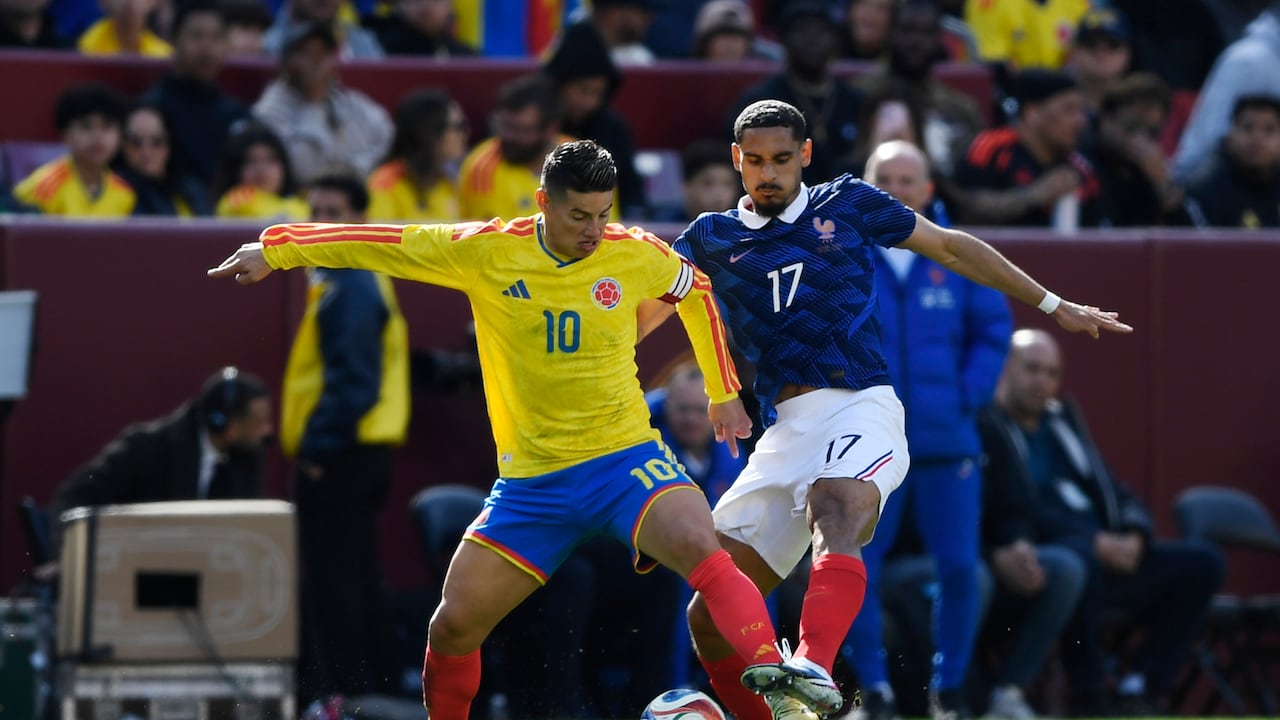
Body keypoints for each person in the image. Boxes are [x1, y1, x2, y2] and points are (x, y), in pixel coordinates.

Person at [208, 140, 815, 720]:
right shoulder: (488, 252)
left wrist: (722, 392)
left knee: (702, 551)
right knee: (452, 625)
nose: (592, 231)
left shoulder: (631, 252)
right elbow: (383, 243)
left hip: (624, 461)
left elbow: (697, 291)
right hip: (532, 486)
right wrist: (280, 247)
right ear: (543, 202)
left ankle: (776, 683)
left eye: (603, 215)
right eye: (579, 215)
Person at [662, 100, 1130, 720]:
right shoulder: (708, 239)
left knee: (838, 506)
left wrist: (1050, 303)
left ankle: (815, 666)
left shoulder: (848, 203)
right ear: (736, 161)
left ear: (805, 155)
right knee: (710, 611)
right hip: (782, 430)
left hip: (862, 406)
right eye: (754, 161)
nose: (768, 173)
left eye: (781, 159)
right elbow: (648, 313)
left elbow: (951, 248)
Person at [842, 140, 1012, 720]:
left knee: (960, 566)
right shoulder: (843, 253)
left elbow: (993, 331)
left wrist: (968, 395)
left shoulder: (957, 253)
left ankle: (950, 690)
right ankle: (875, 690)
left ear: (929, 188)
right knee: (856, 563)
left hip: (945, 439)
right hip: (871, 443)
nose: (896, 189)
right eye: (883, 178)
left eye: (907, 179)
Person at [978, 329, 1224, 715]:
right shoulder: (988, 427)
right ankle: (1088, 693)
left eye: (1053, 373)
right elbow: (1012, 510)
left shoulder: (1064, 424)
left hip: (1108, 555)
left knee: (1203, 563)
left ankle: (1141, 686)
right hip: (1049, 564)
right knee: (1078, 560)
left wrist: (1135, 534)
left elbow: (1113, 487)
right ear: (1006, 367)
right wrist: (1092, 541)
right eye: (1032, 369)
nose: (1043, 381)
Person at [283, 174, 409, 701]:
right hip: (363, 451)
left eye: (333, 210)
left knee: (333, 580)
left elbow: (353, 383)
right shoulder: (355, 272)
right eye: (314, 210)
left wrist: (316, 450)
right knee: (355, 572)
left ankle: (342, 692)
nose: (320, 221)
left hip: (342, 454)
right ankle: (369, 686)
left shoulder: (349, 278)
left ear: (361, 216)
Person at [50, 367, 272, 537]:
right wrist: (70, 553)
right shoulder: (148, 449)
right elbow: (75, 496)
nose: (267, 430)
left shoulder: (246, 456)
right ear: (228, 427)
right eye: (258, 422)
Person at [13, 83, 135, 218]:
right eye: (86, 126)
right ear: (66, 134)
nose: (98, 136)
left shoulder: (124, 193)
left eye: (107, 127)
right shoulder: (43, 188)